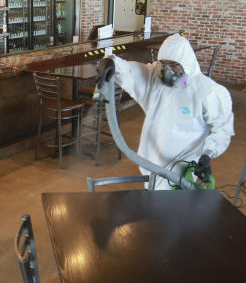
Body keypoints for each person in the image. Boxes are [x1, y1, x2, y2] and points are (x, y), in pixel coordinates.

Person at [99, 33, 234, 190]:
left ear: (187, 63)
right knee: (155, 206)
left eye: (174, 65)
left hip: (182, 168)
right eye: (163, 64)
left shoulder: (208, 91)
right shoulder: (154, 80)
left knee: (173, 209)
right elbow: (131, 71)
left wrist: (207, 154)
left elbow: (223, 128)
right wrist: (111, 63)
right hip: (151, 164)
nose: (167, 71)